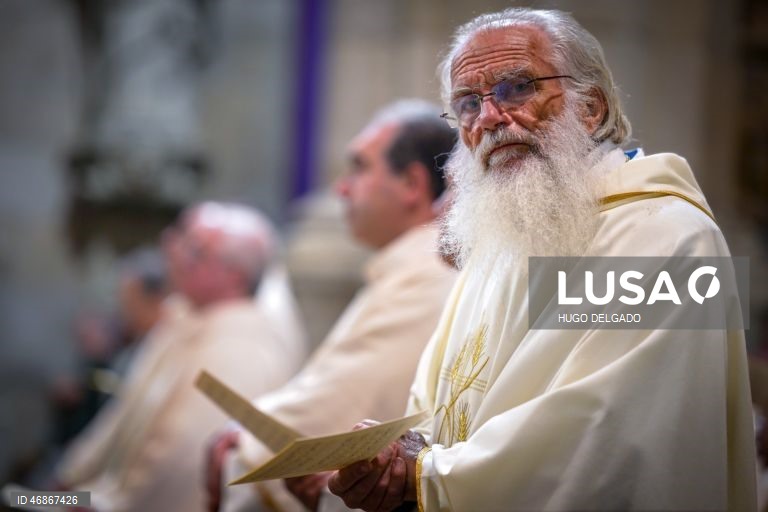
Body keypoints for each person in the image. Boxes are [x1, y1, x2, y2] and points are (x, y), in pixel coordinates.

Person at [328, 8, 757, 511]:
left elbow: (607, 436)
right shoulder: (505, 239)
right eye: (468, 103)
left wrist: (427, 475)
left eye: (516, 89)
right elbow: (438, 401)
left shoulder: (672, 239)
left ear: (591, 108)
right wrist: (396, 458)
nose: (489, 117)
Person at [209, 100, 458, 512]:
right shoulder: (405, 267)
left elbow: (339, 402)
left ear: (412, 184)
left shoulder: (428, 271)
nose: (341, 189)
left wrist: (245, 442)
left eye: (359, 167)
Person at [53, 202, 307, 512]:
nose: (173, 252)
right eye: (178, 238)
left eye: (195, 250)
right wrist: (69, 477)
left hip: (131, 502)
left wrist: (103, 503)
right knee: (23, 499)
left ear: (235, 276)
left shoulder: (241, 344)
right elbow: (126, 410)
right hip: (101, 492)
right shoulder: (186, 314)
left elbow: (182, 455)